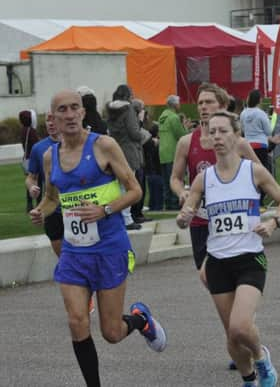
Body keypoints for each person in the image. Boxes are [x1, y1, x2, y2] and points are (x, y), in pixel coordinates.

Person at [29, 90, 166, 387]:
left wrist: (104, 210)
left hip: (109, 248)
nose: (69, 114)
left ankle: (141, 320)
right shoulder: (50, 156)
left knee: (112, 333)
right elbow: (53, 198)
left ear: (82, 113)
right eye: (61, 110)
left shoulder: (104, 146)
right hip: (74, 253)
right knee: (77, 322)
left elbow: (134, 190)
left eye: (74, 108)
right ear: (52, 118)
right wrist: (41, 210)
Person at [176, 111, 280, 387]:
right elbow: (187, 209)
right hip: (217, 262)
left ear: (237, 135)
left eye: (222, 131)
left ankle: (261, 358)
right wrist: (184, 217)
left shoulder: (254, 171)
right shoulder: (204, 178)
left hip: (250, 259)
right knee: (232, 335)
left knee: (241, 326)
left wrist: (273, 222)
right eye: (211, 131)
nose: (216, 136)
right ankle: (249, 378)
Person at [171, 83, 261, 288]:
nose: (203, 107)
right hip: (201, 221)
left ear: (222, 106)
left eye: (209, 102)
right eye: (200, 103)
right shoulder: (187, 142)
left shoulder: (238, 143)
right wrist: (182, 192)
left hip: (231, 218)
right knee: (209, 279)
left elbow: (259, 176)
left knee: (218, 275)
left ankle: (240, 314)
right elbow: (175, 178)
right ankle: (235, 316)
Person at [106, 85, 150, 228]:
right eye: (131, 95)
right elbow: (134, 133)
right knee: (129, 185)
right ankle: (127, 219)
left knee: (118, 187)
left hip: (114, 150)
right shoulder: (128, 109)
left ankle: (120, 217)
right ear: (127, 96)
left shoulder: (110, 109)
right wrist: (142, 125)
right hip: (129, 151)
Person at [26, 112, 62, 256]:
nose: (51, 124)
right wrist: (31, 187)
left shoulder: (75, 144)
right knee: (64, 258)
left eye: (54, 120)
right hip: (52, 209)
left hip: (75, 207)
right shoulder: (38, 148)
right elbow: (31, 177)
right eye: (48, 120)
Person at [240, 89, 280, 207]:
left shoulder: (243, 113)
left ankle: (250, 198)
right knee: (263, 173)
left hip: (247, 147)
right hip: (260, 146)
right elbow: (268, 131)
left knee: (249, 173)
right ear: (260, 100)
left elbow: (243, 130)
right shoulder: (261, 113)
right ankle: (261, 200)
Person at [159, 94, 189, 210]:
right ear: (175, 104)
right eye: (179, 103)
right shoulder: (174, 117)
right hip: (172, 152)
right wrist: (185, 127)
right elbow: (181, 135)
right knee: (175, 178)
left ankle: (168, 203)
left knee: (166, 180)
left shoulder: (163, 116)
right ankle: (175, 203)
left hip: (162, 152)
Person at [19, 109, 40, 212]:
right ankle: (39, 203)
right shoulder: (30, 131)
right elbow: (37, 145)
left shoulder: (23, 130)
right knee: (37, 181)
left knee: (30, 182)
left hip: (26, 158)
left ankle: (29, 204)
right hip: (33, 159)